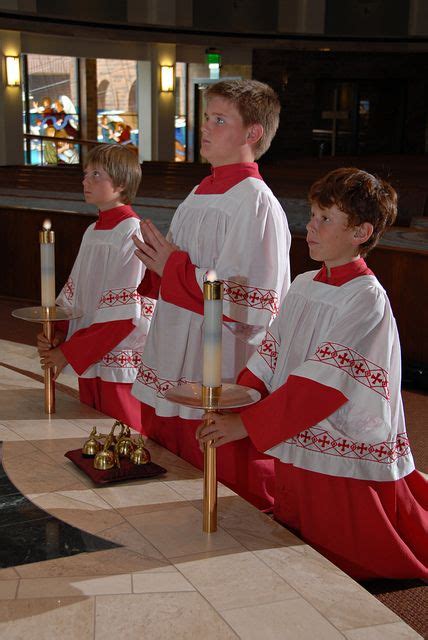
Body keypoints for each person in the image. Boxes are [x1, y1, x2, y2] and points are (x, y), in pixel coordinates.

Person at [197, 167, 428, 581]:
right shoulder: (304, 283)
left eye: (326, 219)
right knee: (296, 527)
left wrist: (246, 424)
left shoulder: (366, 299)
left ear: (361, 232)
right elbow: (271, 355)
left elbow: (322, 385)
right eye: (313, 214)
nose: (311, 226)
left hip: (337, 428)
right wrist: (232, 399)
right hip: (294, 420)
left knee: (341, 554)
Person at [132, 79, 291, 509]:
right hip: (176, 343)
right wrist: (155, 267)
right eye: (206, 118)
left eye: (219, 120)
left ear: (252, 133)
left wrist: (173, 269)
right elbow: (173, 269)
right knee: (170, 468)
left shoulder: (255, 202)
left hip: (220, 356)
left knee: (226, 485)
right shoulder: (200, 192)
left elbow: (251, 301)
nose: (205, 128)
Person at [37, 144, 152, 430]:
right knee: (93, 432)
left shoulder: (131, 232)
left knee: (122, 436)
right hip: (89, 350)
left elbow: (124, 315)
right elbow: (76, 294)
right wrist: (57, 334)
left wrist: (69, 352)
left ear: (122, 182)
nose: (85, 180)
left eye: (96, 174)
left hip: (116, 356)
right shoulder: (93, 230)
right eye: (86, 173)